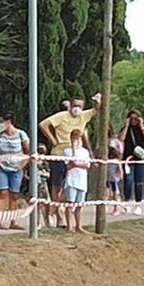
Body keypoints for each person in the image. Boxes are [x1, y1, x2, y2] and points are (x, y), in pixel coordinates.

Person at [40, 94, 103, 227]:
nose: (77, 108)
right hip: (59, 155)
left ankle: (57, 210)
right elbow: (43, 124)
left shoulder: (84, 116)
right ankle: (58, 217)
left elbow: (98, 110)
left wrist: (98, 100)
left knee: (69, 187)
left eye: (80, 106)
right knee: (57, 186)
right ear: (70, 105)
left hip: (75, 155)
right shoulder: (61, 116)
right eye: (75, 105)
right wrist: (53, 140)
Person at [0, 115, 30, 229]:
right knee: (2, 193)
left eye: (2, 121)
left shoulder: (21, 134)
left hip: (17, 168)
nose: (0, 124)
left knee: (14, 195)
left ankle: (13, 221)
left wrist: (23, 165)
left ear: (9, 122)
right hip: (2, 168)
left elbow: (28, 151)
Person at [62, 128, 93, 234]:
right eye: (75, 138)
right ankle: (69, 226)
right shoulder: (67, 151)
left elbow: (87, 165)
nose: (78, 140)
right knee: (70, 203)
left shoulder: (85, 152)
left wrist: (77, 164)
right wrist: (74, 150)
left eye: (79, 138)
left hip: (82, 180)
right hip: (71, 180)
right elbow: (69, 164)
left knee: (80, 205)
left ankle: (79, 226)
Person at [122, 110, 144, 203]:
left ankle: (138, 202)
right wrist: (127, 125)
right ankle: (127, 200)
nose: (133, 120)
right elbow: (121, 138)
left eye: (135, 118)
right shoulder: (126, 129)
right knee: (128, 180)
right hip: (128, 159)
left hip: (140, 159)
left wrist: (142, 126)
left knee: (139, 182)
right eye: (131, 118)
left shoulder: (143, 129)